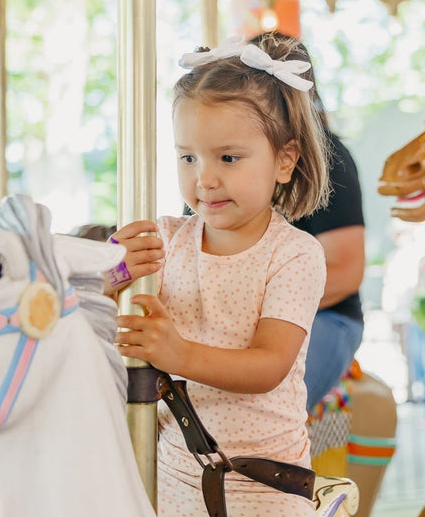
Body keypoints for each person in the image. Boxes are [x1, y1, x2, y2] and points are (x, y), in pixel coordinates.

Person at [112, 34, 330, 516]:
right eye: (188, 157)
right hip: (174, 472)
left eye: (228, 158)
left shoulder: (293, 253)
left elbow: (269, 366)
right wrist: (109, 274)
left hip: (261, 485)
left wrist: (178, 353)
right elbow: (97, 304)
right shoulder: (165, 239)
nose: (204, 178)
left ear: (285, 161)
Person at [250, 32, 365, 412]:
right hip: (243, 312)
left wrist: (260, 304)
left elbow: (347, 271)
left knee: (264, 402)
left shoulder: (330, 158)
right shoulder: (220, 159)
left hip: (323, 317)